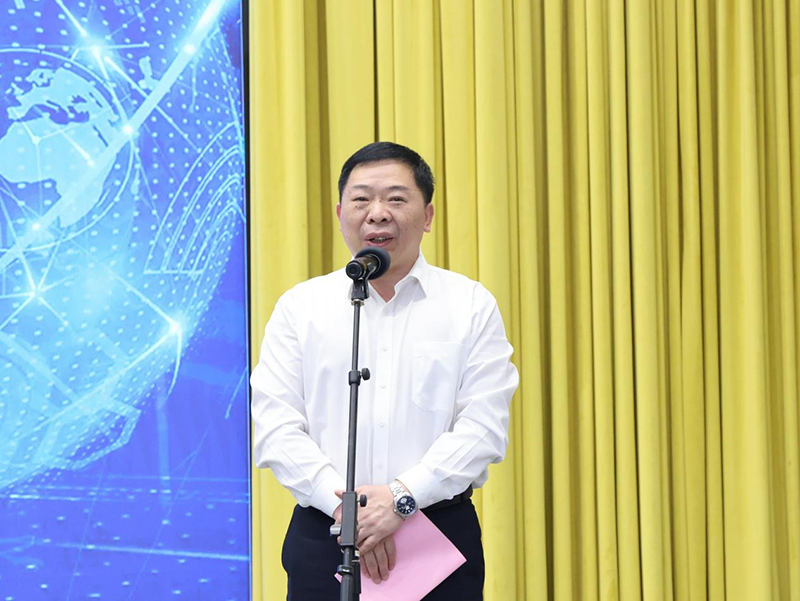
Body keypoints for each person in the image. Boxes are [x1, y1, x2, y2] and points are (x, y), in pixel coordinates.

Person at [250, 141, 518, 599]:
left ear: (427, 215)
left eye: (396, 198)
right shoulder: (301, 308)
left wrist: (399, 498)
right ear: (341, 214)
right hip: (325, 536)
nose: (377, 214)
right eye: (361, 200)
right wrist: (349, 511)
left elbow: (483, 428)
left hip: (437, 536)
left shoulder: (470, 305)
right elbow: (276, 427)